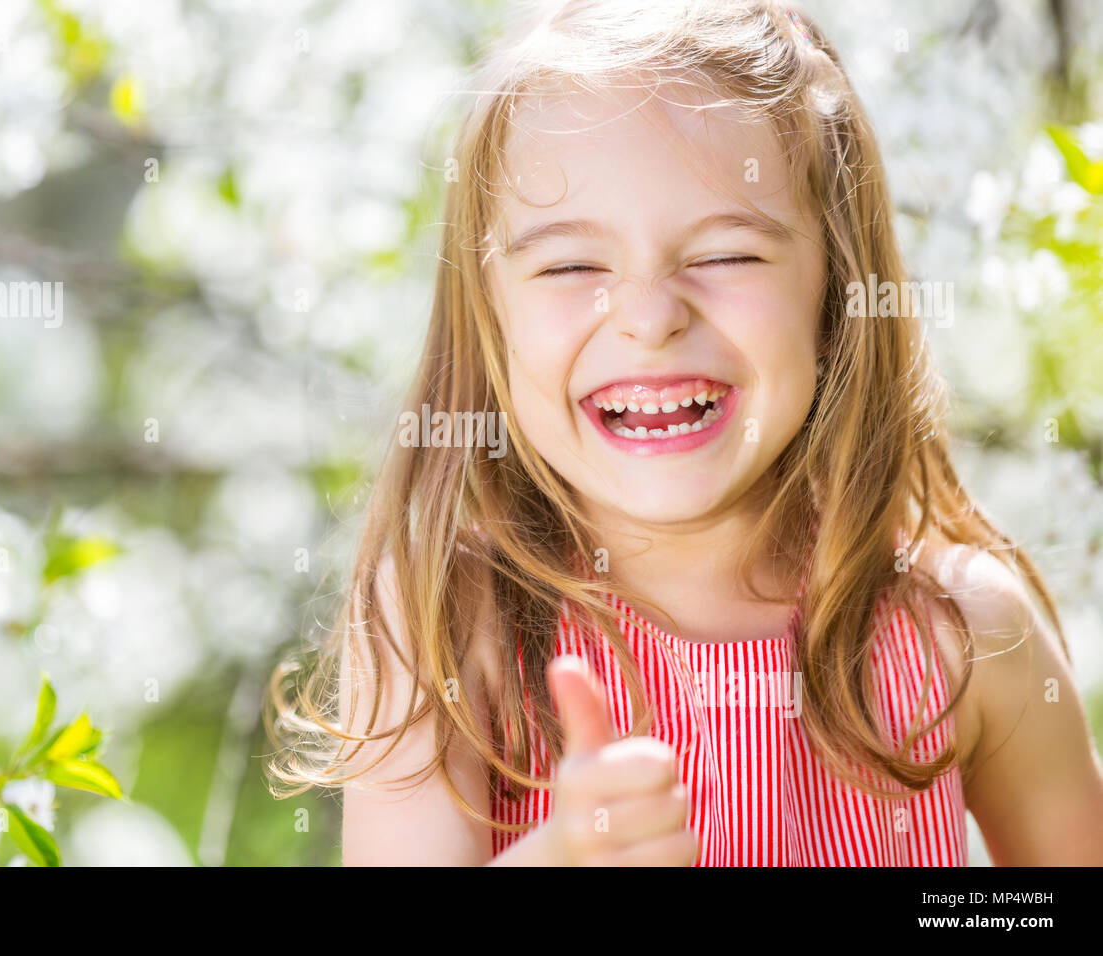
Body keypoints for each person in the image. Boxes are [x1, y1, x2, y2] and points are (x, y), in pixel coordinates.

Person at [265, 0, 1103, 866]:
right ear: (490, 317)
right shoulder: (448, 618)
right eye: (570, 266)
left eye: (726, 253)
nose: (651, 317)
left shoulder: (962, 633)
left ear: (835, 290)